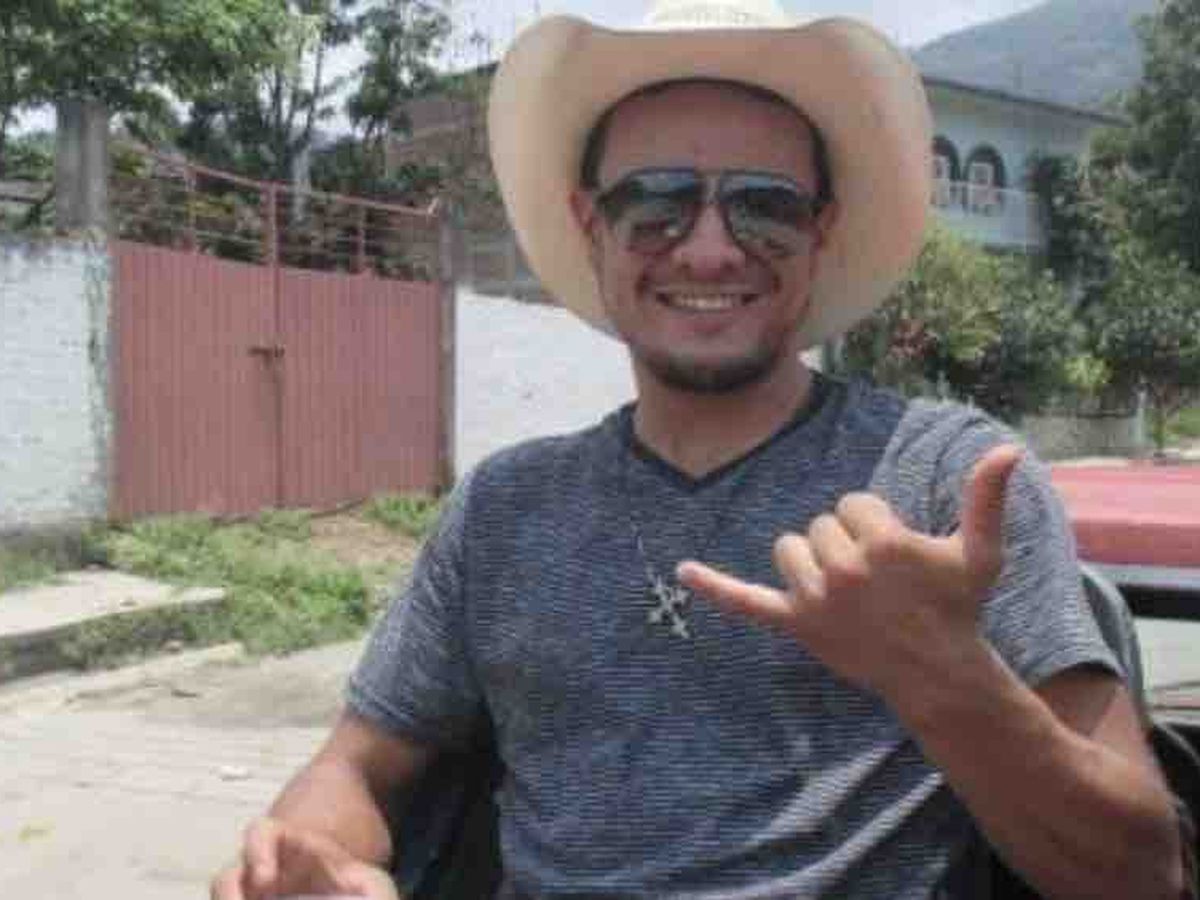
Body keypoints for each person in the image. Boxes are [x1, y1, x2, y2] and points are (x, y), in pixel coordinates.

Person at [212, 1, 1188, 897]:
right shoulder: (504, 510)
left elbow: (1146, 876)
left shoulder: (949, 482)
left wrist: (941, 675)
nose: (711, 249)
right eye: (656, 203)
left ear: (821, 229)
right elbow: (354, 766)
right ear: (591, 225)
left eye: (765, 205)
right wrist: (305, 859)